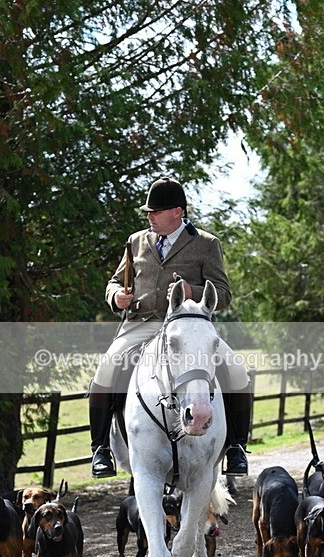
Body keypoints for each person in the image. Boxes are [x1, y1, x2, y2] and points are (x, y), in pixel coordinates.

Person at [89, 176, 252, 478]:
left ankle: (236, 448)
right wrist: (117, 297)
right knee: (106, 369)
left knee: (237, 370)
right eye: (148, 212)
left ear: (177, 212)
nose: (149, 216)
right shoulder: (136, 241)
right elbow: (115, 281)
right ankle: (100, 448)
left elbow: (224, 294)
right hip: (142, 324)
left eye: (155, 211)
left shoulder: (206, 244)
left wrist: (191, 290)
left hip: (188, 328)